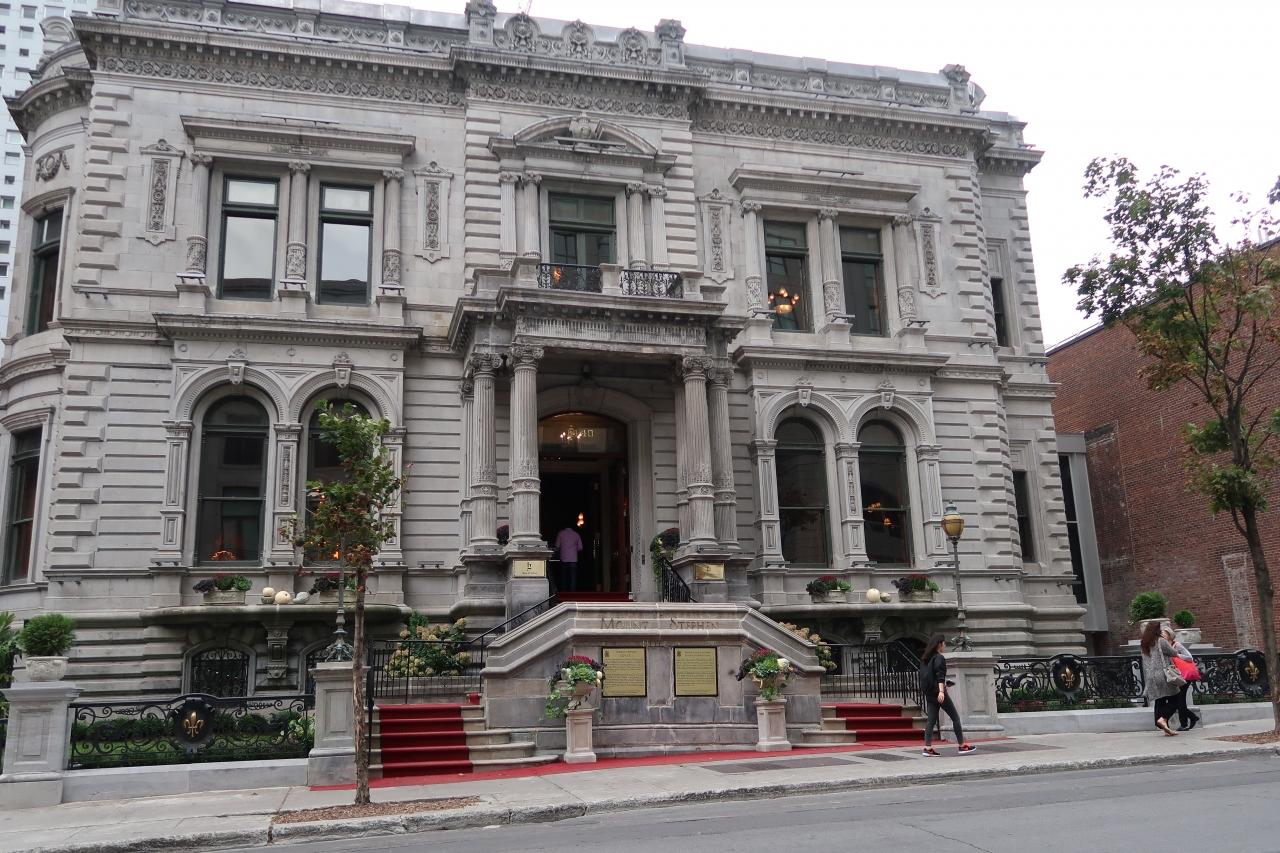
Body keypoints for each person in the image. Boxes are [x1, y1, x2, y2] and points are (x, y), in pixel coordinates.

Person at [918, 634, 976, 756]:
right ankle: (962, 745)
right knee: (955, 717)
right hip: (938, 693)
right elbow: (940, 675)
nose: (945, 645)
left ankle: (927, 747)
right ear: (939, 644)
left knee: (931, 721)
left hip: (929, 693)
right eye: (944, 643)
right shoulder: (939, 658)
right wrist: (941, 691)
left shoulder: (925, 659)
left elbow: (927, 677)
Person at [1140, 620, 1183, 736]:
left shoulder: (1143, 643)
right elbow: (1173, 653)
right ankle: (1163, 718)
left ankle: (1165, 728)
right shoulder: (1160, 641)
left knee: (1160, 700)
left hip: (1151, 676)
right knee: (1176, 698)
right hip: (1164, 674)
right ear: (1157, 630)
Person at [1162, 625, 1201, 731]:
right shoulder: (1164, 647)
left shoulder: (1177, 645)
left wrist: (1176, 655)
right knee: (1179, 700)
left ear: (1169, 635)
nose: (1162, 636)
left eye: (1164, 634)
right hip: (1175, 677)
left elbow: (1189, 657)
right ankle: (1192, 718)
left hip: (1184, 676)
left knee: (1180, 699)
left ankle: (1184, 724)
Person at [553, 521, 583, 593]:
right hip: (573, 558)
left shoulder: (561, 533)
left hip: (564, 558)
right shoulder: (576, 534)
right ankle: (572, 592)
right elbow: (580, 547)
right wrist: (574, 550)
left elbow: (557, 546)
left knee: (564, 576)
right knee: (573, 576)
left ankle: (564, 591)